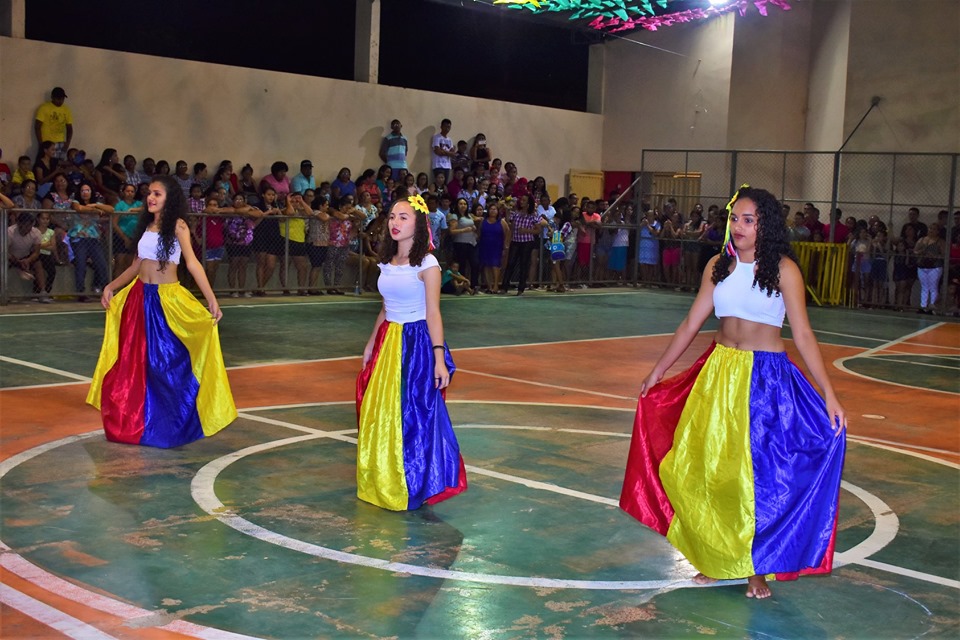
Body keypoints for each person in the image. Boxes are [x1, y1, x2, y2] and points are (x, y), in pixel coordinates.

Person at [620, 186, 847, 600]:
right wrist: (658, 370)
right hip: (718, 374)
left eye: (748, 220)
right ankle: (714, 557)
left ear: (765, 226)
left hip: (766, 382)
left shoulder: (784, 270)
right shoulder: (717, 266)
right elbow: (691, 323)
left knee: (761, 481)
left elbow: (803, 334)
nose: (738, 226)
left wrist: (828, 393)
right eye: (734, 218)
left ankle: (756, 568)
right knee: (709, 473)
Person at [86, 175, 236, 448]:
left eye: (157, 193)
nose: (151, 198)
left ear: (170, 198)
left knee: (164, 365)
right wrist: (111, 286)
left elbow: (193, 264)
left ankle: (172, 423)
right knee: (135, 364)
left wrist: (211, 299)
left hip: (167, 302)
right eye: (149, 193)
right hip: (138, 299)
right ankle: (137, 422)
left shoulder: (178, 226)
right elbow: (136, 266)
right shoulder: (146, 225)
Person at [356, 194, 467, 510]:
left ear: (418, 225)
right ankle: (384, 478)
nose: (395, 222)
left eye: (403, 217)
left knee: (413, 416)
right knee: (381, 413)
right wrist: (370, 343)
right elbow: (385, 308)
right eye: (392, 216)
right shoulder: (386, 262)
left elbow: (433, 312)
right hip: (388, 342)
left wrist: (438, 358)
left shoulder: (427, 264)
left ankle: (414, 483)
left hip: (416, 346)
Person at [7, 211, 50, 302]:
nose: (27, 229)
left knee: (38, 264)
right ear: (19, 224)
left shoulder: (36, 232)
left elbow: (36, 252)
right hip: (11, 256)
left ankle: (43, 292)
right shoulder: (10, 232)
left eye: (29, 226)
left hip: (27, 256)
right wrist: (16, 260)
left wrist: (28, 260)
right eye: (25, 226)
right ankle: (3, 292)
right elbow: (5, 250)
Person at [35, 87, 73, 161]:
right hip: (47, 143)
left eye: (62, 99)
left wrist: (67, 143)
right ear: (52, 97)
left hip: (60, 143)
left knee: (59, 164)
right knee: (45, 164)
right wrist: (41, 143)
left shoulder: (66, 109)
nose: (60, 101)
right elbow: (37, 127)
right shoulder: (44, 108)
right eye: (58, 99)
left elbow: (69, 128)